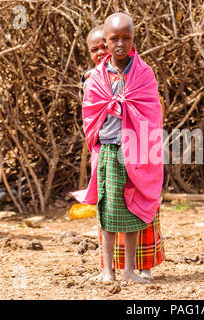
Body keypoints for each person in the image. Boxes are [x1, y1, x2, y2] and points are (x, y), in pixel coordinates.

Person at [71, 13, 164, 283]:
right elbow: (91, 113)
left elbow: (150, 110)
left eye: (126, 38)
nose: (117, 44)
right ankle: (107, 270)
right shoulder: (96, 78)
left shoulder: (143, 73)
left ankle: (134, 269)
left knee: (138, 209)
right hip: (109, 151)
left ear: (134, 39)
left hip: (138, 149)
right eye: (112, 40)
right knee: (108, 211)